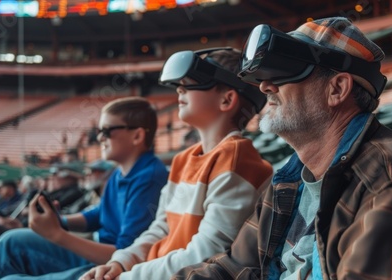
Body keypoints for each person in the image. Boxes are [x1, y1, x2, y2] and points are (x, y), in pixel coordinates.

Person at [173, 17, 392, 279]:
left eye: (284, 71)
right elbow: (233, 267)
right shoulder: (287, 182)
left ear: (337, 89)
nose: (265, 87)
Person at [75, 48, 273, 280]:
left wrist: (128, 276)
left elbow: (208, 254)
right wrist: (121, 262)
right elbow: (160, 228)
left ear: (227, 99)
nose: (180, 88)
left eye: (193, 83)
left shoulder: (238, 159)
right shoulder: (183, 159)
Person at [0, 97, 169, 279]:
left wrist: (57, 234)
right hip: (98, 252)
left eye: (107, 131)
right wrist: (59, 221)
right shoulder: (120, 172)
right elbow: (100, 214)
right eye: (98, 131)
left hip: (107, 265)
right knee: (10, 241)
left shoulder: (150, 178)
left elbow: (125, 254)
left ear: (137, 136)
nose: (99, 138)